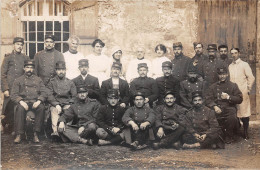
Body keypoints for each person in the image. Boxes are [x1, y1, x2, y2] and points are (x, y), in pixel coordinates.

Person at [11, 60, 48, 143]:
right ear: (24, 68)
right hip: (24, 102)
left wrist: (39, 100)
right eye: (27, 67)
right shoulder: (18, 80)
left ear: (33, 69)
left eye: (31, 68)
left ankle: (36, 133)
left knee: (41, 107)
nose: (29, 69)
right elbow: (13, 94)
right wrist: (20, 101)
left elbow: (44, 92)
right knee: (19, 109)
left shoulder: (38, 80)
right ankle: (19, 134)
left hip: (35, 102)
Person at [205, 67, 243, 144]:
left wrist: (228, 97)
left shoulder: (233, 85)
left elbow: (239, 99)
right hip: (217, 107)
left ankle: (229, 135)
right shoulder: (213, 86)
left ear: (227, 74)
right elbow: (208, 99)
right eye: (220, 74)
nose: (222, 76)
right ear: (217, 75)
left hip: (229, 107)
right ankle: (218, 135)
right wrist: (214, 106)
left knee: (232, 117)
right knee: (211, 117)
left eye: (224, 74)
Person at [1, 37, 29, 133]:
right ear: (13, 45)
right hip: (10, 87)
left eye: (21, 45)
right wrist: (5, 89)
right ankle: (7, 125)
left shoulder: (25, 58)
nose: (19, 46)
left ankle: (17, 128)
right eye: (17, 44)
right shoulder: (8, 58)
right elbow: (3, 74)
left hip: (21, 88)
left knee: (18, 108)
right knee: (8, 108)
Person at [229, 48, 255, 139]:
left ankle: (245, 132)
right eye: (232, 53)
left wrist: (248, 89)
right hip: (233, 93)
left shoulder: (245, 64)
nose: (234, 55)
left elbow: (251, 78)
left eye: (235, 53)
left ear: (239, 53)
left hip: (243, 92)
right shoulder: (230, 66)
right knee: (234, 111)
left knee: (244, 112)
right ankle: (236, 130)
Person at [47, 61, 77, 137]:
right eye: (59, 70)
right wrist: (56, 104)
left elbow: (74, 96)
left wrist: (70, 104)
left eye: (63, 69)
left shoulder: (70, 82)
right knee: (54, 110)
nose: (61, 72)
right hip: (56, 103)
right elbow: (49, 95)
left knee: (70, 110)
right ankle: (55, 132)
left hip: (67, 103)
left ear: (65, 71)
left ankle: (66, 131)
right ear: (56, 71)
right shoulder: (51, 82)